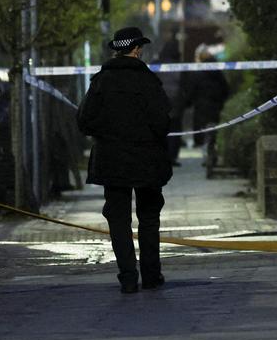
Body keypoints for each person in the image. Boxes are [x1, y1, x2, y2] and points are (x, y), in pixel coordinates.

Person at [76, 26, 173, 294]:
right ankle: (151, 275)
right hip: (147, 160)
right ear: (137, 49)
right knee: (149, 217)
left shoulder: (101, 81)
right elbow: (163, 122)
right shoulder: (148, 81)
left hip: (112, 161)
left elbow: (84, 121)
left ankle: (128, 277)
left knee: (118, 219)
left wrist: (107, 132)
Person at [185, 43, 230, 168]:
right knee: (213, 130)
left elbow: (191, 90)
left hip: (201, 107)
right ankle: (212, 153)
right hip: (215, 106)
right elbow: (225, 88)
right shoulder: (217, 71)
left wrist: (188, 103)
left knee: (203, 131)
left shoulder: (197, 72)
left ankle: (207, 156)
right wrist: (221, 101)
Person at [155, 38, 185, 168]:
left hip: (159, 102)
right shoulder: (180, 66)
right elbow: (185, 85)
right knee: (175, 130)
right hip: (175, 102)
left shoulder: (156, 65)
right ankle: (172, 157)